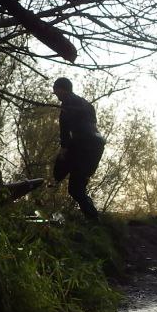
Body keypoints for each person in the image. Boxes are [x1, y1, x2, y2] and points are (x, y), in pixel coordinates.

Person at [50, 77, 107, 220]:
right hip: (96, 145)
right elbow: (91, 125)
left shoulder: (67, 104)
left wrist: (64, 150)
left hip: (84, 146)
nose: (55, 94)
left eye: (56, 91)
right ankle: (93, 218)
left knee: (74, 187)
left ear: (62, 89)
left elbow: (65, 131)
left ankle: (94, 219)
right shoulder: (87, 104)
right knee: (78, 185)